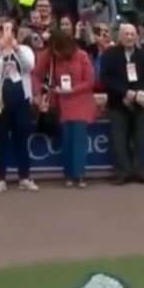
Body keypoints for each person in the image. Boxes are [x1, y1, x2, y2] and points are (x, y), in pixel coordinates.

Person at [32, 30, 96, 188]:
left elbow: (90, 81)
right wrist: (37, 93)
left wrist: (72, 90)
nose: (55, 52)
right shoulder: (49, 55)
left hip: (81, 101)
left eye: (58, 49)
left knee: (79, 138)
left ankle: (79, 174)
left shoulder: (81, 55)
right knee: (67, 139)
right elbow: (36, 75)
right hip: (61, 102)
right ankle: (68, 174)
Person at [0, 19, 37, 193]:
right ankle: (0, 179)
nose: (6, 34)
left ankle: (24, 177)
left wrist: (16, 48)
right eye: (2, 31)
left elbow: (29, 66)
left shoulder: (24, 50)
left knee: (21, 139)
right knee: (0, 140)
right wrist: (0, 48)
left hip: (20, 99)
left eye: (10, 30)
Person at [100, 23, 144, 185]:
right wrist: (125, 93)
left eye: (132, 34)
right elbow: (105, 78)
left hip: (140, 104)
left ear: (137, 36)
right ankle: (123, 173)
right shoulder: (109, 55)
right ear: (120, 37)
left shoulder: (143, 55)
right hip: (118, 102)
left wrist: (139, 93)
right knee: (119, 140)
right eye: (127, 34)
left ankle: (142, 172)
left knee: (142, 139)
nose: (130, 37)